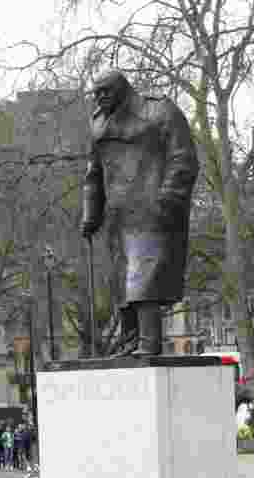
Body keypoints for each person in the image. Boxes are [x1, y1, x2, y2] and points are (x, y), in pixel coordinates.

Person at [81, 70, 199, 356]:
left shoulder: (159, 110)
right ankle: (131, 339)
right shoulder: (98, 124)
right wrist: (90, 214)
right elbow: (94, 174)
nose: (99, 98)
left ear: (122, 89)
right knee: (122, 280)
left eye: (105, 91)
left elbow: (183, 157)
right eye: (96, 93)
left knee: (144, 278)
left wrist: (169, 198)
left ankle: (149, 342)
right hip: (118, 214)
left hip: (151, 208)